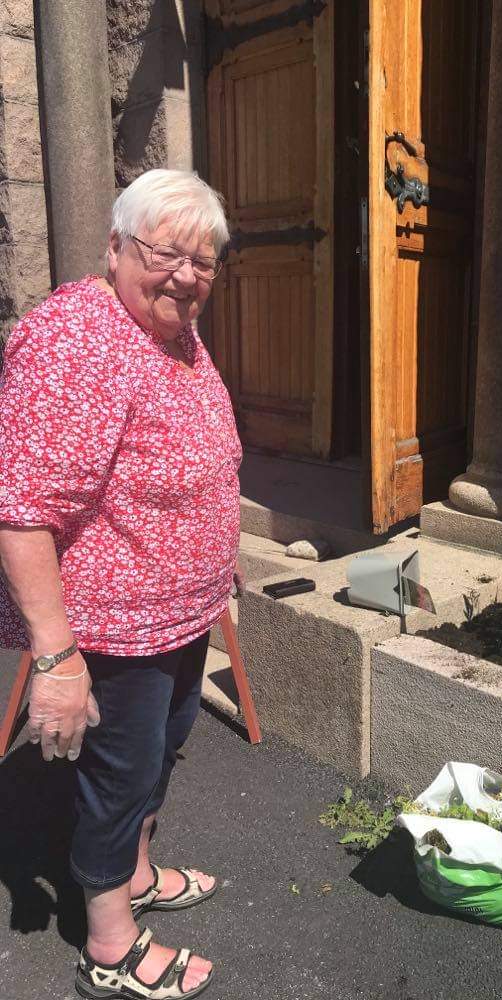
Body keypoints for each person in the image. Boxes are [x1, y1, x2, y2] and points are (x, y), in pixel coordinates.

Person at [0, 169, 242, 999]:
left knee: (158, 752)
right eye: (164, 252)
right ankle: (109, 942)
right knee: (117, 776)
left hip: (178, 610)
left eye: (202, 261)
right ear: (114, 247)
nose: (185, 274)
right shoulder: (77, 337)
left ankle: (135, 874)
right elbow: (23, 509)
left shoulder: (173, 329)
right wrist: (58, 659)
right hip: (111, 621)